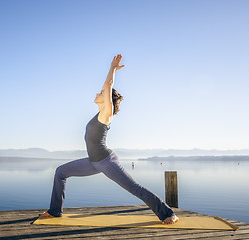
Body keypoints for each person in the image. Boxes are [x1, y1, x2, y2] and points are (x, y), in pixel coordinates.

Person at [39, 54, 179, 224]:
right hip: (92, 162)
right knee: (60, 172)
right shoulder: (98, 114)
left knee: (135, 188)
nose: (97, 93)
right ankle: (55, 211)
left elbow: (108, 85)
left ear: (107, 100)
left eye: (101, 93)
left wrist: (112, 68)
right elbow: (106, 87)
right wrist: (110, 74)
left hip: (106, 162)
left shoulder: (106, 114)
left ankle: (168, 214)